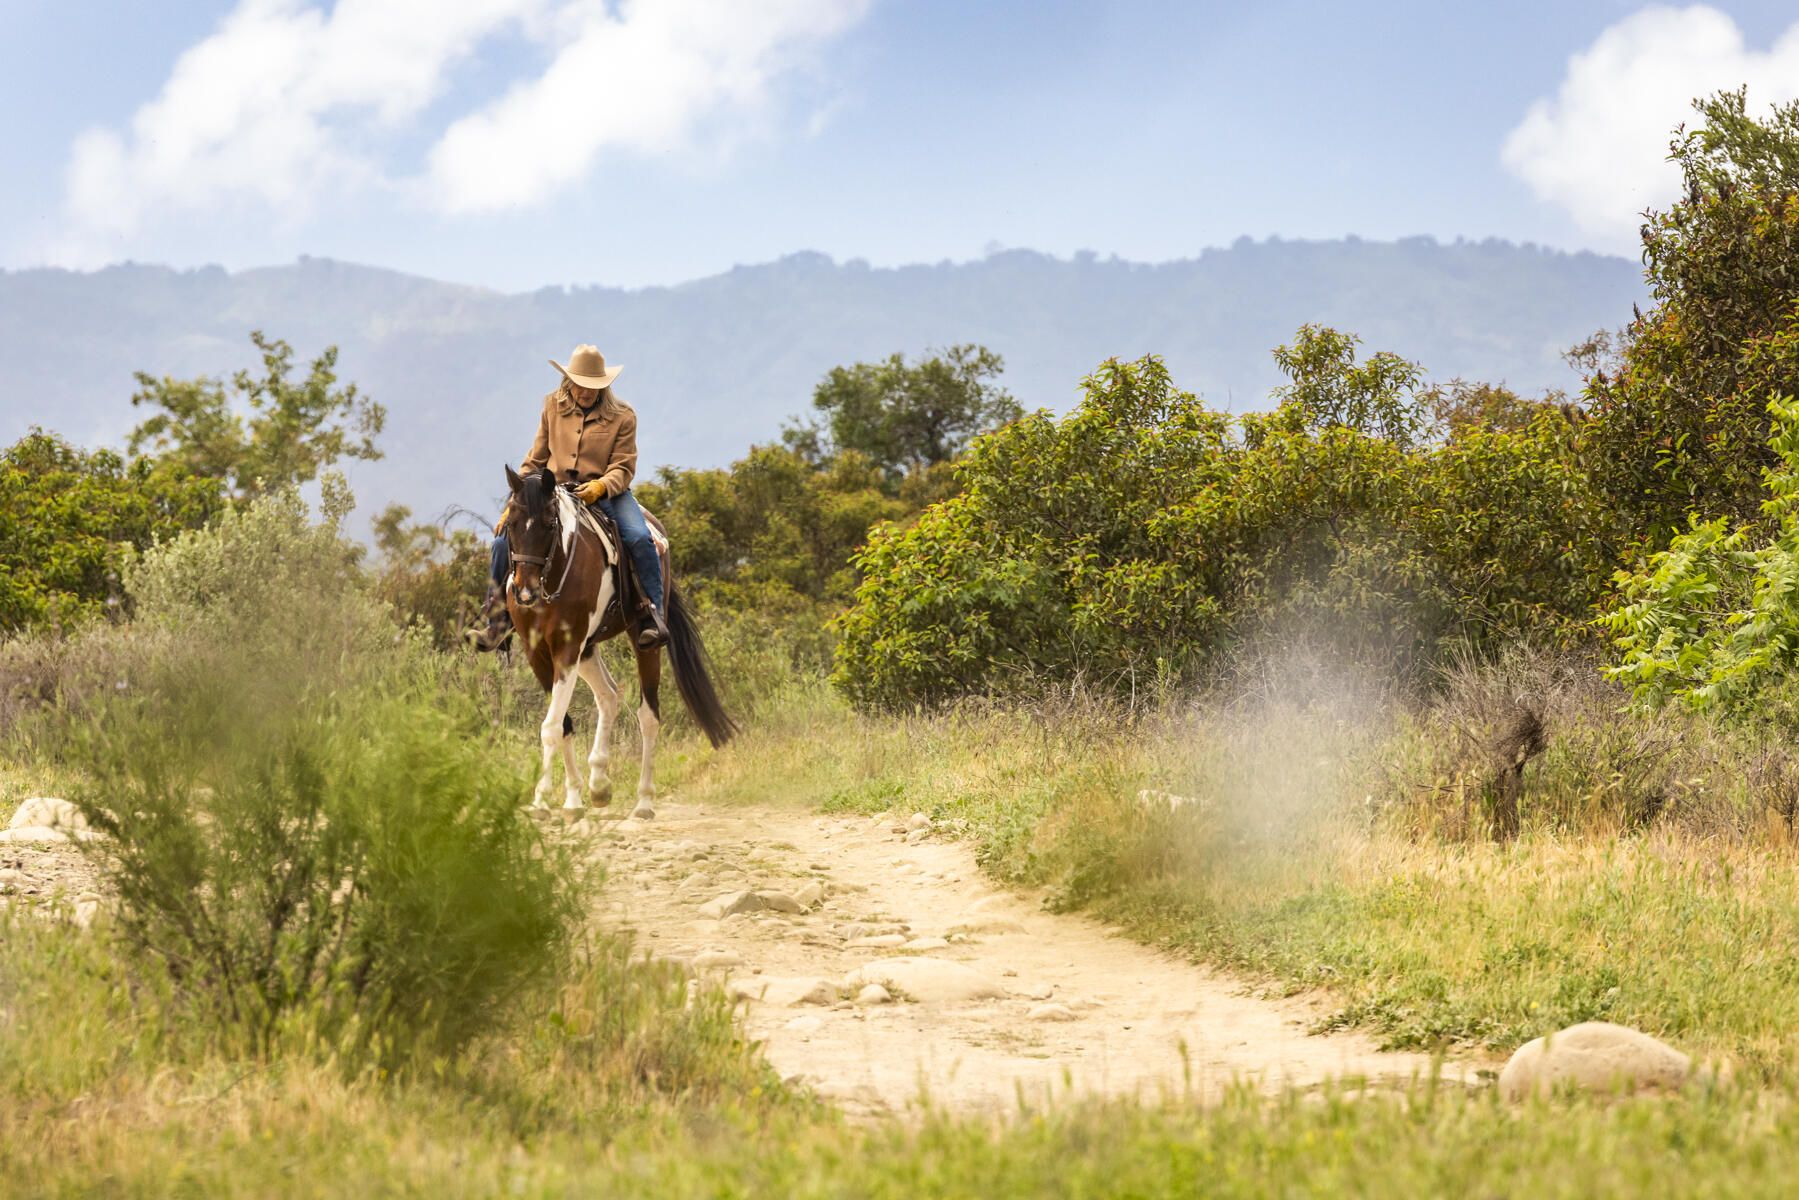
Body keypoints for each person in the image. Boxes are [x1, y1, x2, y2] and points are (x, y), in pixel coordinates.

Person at [467, 344, 667, 652]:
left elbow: (624, 467)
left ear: (603, 386)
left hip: (607, 492)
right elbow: (536, 458)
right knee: (500, 543)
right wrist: (517, 500)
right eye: (580, 384)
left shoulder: (623, 416)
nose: (585, 391)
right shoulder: (551, 406)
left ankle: (652, 615)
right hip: (555, 491)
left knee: (639, 538)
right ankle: (497, 622)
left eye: (593, 386)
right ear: (568, 380)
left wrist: (601, 486)